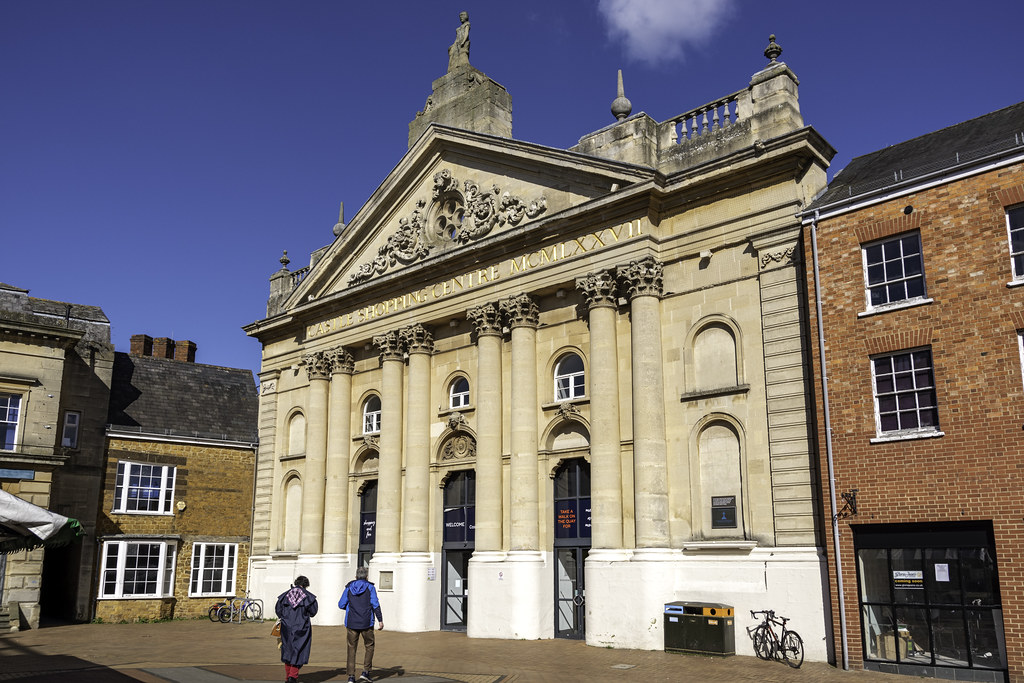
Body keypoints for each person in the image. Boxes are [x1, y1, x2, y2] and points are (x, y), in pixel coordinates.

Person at [338, 566, 384, 683]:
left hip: (351, 622)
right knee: (369, 646)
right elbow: (375, 604)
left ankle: (351, 677)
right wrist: (380, 620)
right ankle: (366, 672)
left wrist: (350, 608)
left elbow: (341, 604)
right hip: (366, 623)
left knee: (351, 648)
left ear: (355, 576)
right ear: (367, 577)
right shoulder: (370, 587)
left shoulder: (348, 588)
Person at [275, 576, 318, 683]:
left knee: (288, 650)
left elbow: (278, 611)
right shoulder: (308, 596)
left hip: (287, 626)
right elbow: (313, 612)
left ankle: (288, 676)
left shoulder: (285, 595)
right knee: (300, 650)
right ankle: (292, 676)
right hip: (302, 627)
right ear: (306, 585)